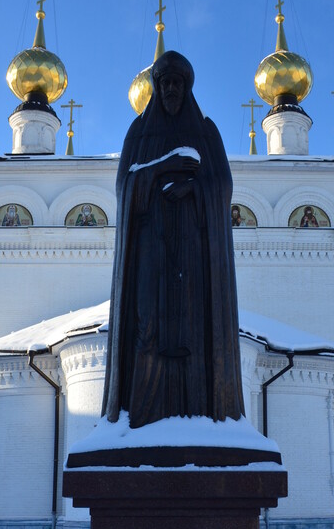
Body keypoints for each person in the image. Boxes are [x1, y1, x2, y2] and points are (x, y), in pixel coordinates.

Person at [102, 51, 244, 429]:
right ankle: (143, 416)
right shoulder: (139, 132)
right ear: (156, 88)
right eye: (164, 83)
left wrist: (194, 190)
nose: (170, 90)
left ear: (187, 87)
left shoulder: (206, 132)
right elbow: (124, 187)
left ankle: (196, 413)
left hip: (194, 253)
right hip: (150, 249)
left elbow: (222, 187)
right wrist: (162, 169)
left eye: (177, 84)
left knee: (195, 328)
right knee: (147, 324)